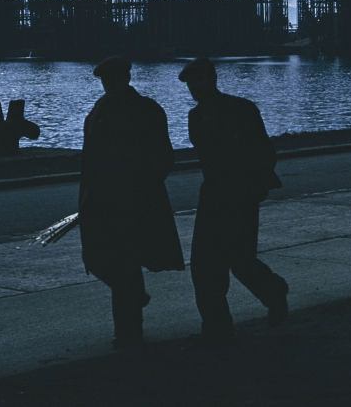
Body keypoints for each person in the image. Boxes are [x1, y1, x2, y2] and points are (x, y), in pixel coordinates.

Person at [178, 57, 289, 342]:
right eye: (191, 84)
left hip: (239, 194)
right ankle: (218, 327)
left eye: (198, 81)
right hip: (215, 194)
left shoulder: (240, 110)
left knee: (239, 260)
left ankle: (273, 293)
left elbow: (264, 151)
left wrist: (256, 186)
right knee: (206, 266)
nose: (194, 88)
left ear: (212, 79)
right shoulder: (197, 116)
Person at [79, 56, 184, 349]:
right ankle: (134, 300)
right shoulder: (101, 110)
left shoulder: (143, 110)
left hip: (132, 200)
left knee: (121, 261)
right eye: (106, 80)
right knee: (100, 259)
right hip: (103, 200)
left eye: (111, 79)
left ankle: (128, 332)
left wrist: (141, 185)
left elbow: (163, 157)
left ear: (125, 78)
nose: (108, 84)